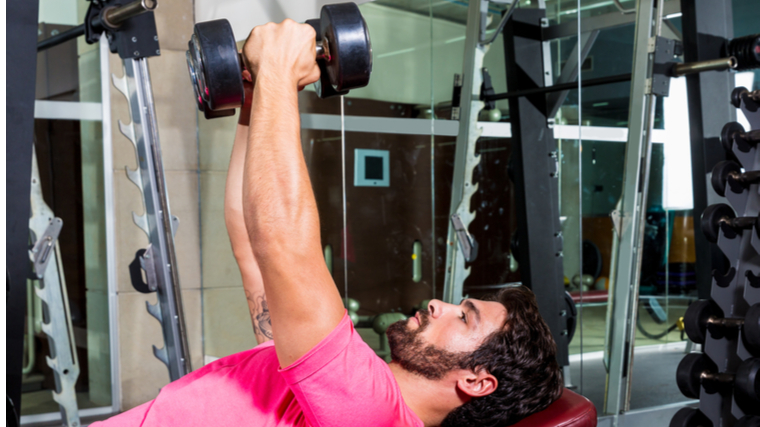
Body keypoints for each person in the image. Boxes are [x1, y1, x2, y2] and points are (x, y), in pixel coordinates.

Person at [93, 19, 562, 427]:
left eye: (465, 316)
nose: (439, 303)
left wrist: (278, 68)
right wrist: (257, 95)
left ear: (477, 382)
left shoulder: (375, 415)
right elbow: (255, 245)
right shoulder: (338, 386)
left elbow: (282, 245)